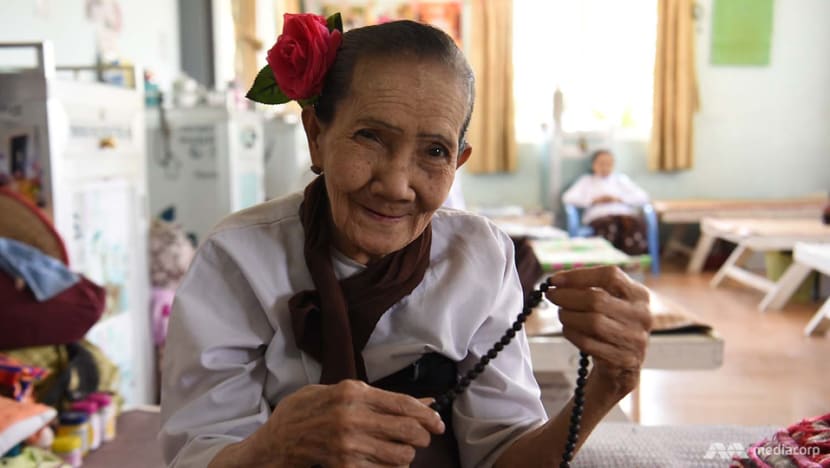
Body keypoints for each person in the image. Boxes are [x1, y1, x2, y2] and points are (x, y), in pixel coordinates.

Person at [160, 15, 651, 468]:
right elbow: (195, 454)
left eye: (434, 151)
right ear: (316, 135)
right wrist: (274, 445)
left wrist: (609, 386)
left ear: (457, 163)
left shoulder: (479, 260)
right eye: (370, 136)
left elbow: (503, 457)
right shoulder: (240, 260)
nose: (397, 185)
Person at [562, 150, 651, 255]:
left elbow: (643, 196)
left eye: (609, 164)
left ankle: (630, 262)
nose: (605, 167)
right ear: (593, 164)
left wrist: (619, 199)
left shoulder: (621, 180)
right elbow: (567, 197)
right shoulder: (586, 181)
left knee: (635, 224)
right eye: (601, 163)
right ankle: (607, 262)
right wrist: (594, 200)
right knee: (609, 226)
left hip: (623, 216)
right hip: (600, 217)